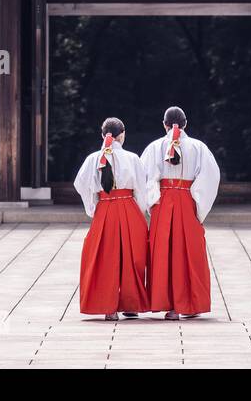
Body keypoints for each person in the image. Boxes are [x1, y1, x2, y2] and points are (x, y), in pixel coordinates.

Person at [141, 106, 220, 320]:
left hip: (163, 202)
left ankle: (167, 303)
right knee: (188, 253)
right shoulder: (198, 147)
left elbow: (144, 177)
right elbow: (210, 178)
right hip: (187, 201)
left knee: (163, 253)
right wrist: (198, 205)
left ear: (164, 124)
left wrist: (152, 201)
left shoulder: (154, 147)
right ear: (185, 124)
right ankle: (189, 304)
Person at [73, 117, 152, 321]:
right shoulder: (133, 158)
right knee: (132, 256)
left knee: (105, 257)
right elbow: (141, 189)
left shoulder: (93, 159)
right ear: (122, 134)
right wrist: (141, 211)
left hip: (105, 208)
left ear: (103, 135)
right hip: (128, 207)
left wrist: (92, 206)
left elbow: (80, 184)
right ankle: (131, 304)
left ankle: (109, 308)